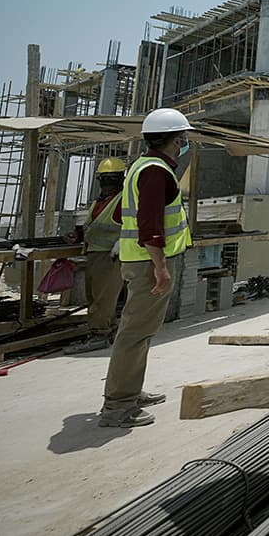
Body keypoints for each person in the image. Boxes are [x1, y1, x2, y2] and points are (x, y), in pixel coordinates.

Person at [98, 108, 194, 428]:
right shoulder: (156, 171)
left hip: (138, 261)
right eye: (183, 138)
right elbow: (150, 226)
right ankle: (118, 407)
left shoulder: (140, 166)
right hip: (148, 265)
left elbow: (121, 215)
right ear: (175, 140)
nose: (185, 143)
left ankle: (129, 391)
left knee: (141, 332)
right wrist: (160, 267)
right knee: (135, 334)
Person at [64, 158, 127, 354]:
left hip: (109, 255)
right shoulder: (100, 201)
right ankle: (110, 329)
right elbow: (92, 226)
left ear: (120, 179)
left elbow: (133, 226)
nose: (107, 184)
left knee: (102, 299)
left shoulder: (123, 200)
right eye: (105, 179)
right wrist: (78, 235)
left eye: (111, 179)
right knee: (95, 297)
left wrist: (121, 243)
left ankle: (99, 335)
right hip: (94, 253)